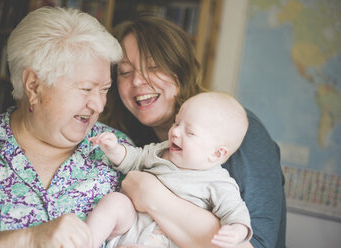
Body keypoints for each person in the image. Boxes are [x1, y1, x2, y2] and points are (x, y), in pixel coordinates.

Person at [100, 14, 286, 248]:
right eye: (125, 72)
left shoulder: (236, 133)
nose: (137, 80)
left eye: (153, 66)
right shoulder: (132, 140)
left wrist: (152, 196)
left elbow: (256, 244)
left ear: (180, 72)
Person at [0, 7, 132, 248]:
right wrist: (28, 238)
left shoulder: (121, 154)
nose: (99, 105)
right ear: (34, 86)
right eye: (86, 89)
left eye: (104, 90)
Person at [87, 92, 253, 248]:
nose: (175, 132)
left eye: (189, 132)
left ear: (216, 154)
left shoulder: (219, 183)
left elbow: (235, 211)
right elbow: (134, 159)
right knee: (114, 201)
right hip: (131, 224)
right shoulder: (162, 151)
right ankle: (86, 242)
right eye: (177, 122)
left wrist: (237, 231)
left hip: (167, 241)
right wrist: (114, 149)